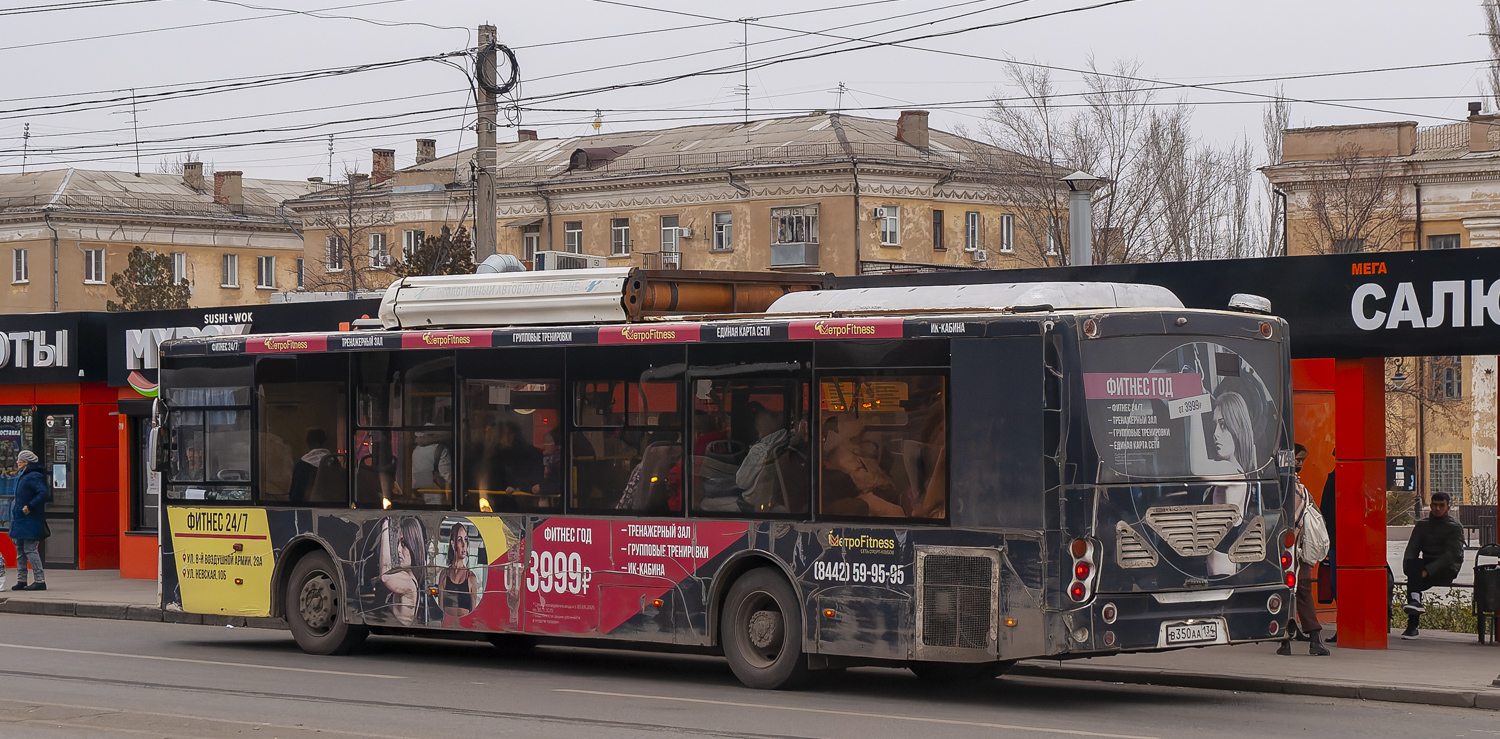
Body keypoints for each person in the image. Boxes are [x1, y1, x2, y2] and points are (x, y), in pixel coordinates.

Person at [1278, 444, 1329, 656]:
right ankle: (1312, 637)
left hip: (1287, 550)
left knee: (1287, 591)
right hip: (1300, 550)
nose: (1300, 464)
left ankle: (1287, 639)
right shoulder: (1297, 487)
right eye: (1297, 459)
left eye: (1302, 460)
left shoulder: (1283, 486)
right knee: (1302, 591)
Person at [1400, 491, 1466, 639]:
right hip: (1424, 567)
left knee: (1414, 581)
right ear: (1430, 506)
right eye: (1434, 505)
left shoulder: (1454, 527)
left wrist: (1427, 571)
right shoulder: (1422, 526)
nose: (1437, 509)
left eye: (1441, 505)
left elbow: (1450, 556)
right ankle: (1415, 603)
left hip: (1447, 569)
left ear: (1448, 507)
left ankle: (1412, 626)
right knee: (1414, 570)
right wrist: (1409, 568)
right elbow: (1411, 550)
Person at [9, 450, 47, 591]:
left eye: (20, 460)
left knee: (30, 549)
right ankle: (21, 580)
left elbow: (42, 493)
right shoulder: (22, 475)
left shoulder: (33, 476)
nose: (17, 462)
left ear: (26, 462)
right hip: (20, 518)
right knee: (20, 549)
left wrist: (30, 506)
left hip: (30, 518)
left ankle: (40, 580)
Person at [377, 517, 426, 626]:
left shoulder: (408, 583)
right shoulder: (408, 578)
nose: (398, 549)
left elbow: (385, 575)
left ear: (414, 546)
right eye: (398, 543)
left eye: (403, 544)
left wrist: (385, 525)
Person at [438, 522, 481, 618]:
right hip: (448, 626)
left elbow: (473, 611)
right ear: (453, 544)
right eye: (459, 540)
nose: (463, 544)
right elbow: (440, 608)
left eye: (465, 540)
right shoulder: (444, 575)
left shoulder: (470, 577)